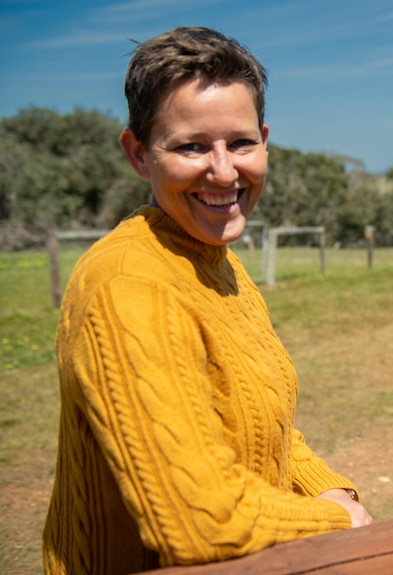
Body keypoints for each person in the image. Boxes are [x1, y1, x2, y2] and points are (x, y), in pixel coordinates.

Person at [42, 27, 371, 575]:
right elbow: (200, 521)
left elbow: (266, 427)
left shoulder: (220, 262)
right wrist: (335, 520)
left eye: (240, 143)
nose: (223, 171)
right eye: (191, 146)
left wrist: (331, 488)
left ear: (265, 141)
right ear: (138, 154)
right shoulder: (126, 284)